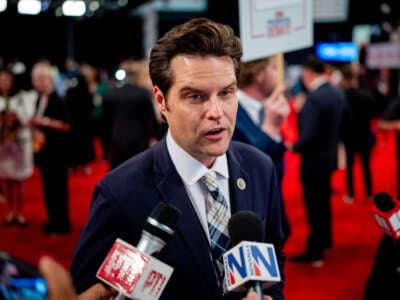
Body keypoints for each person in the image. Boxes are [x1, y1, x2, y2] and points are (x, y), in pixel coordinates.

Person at [70, 17, 286, 300]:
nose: (216, 112)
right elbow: (91, 291)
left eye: (226, 93)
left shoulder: (259, 167)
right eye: (196, 96)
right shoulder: (120, 194)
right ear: (161, 101)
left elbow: (274, 256)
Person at [287, 55, 346, 266]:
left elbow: (309, 135)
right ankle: (325, 242)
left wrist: (294, 146)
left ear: (308, 74)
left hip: (313, 160)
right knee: (323, 204)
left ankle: (316, 251)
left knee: (315, 207)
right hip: (328, 157)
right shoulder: (335, 91)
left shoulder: (315, 97)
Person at [39, 256, 272, 300]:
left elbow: (273, 247)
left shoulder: (259, 167)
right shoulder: (119, 189)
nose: (215, 120)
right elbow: (84, 284)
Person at [30, 60, 72, 235]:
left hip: (58, 151)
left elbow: (67, 125)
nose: (39, 82)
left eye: (42, 79)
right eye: (37, 79)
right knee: (48, 187)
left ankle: (61, 223)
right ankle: (52, 220)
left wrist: (45, 122)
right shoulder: (40, 98)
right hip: (43, 150)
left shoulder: (59, 99)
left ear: (50, 79)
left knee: (58, 189)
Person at [102, 59, 159, 170]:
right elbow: (150, 119)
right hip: (140, 141)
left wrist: (106, 148)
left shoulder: (110, 94)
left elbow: (105, 124)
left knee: (118, 175)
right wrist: (154, 136)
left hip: (117, 140)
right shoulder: (143, 94)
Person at [0, 68, 35, 226]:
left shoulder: (22, 97)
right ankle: (10, 211)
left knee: (18, 179)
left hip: (19, 143)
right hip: (3, 144)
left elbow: (29, 118)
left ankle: (18, 212)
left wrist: (16, 117)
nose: (4, 83)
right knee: (6, 179)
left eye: (6, 80)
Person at [338, 63, 377, 203]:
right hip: (364, 134)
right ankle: (369, 193)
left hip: (349, 136)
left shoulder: (341, 96)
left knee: (350, 166)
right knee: (366, 165)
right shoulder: (365, 94)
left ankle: (351, 195)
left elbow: (340, 118)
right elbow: (374, 112)